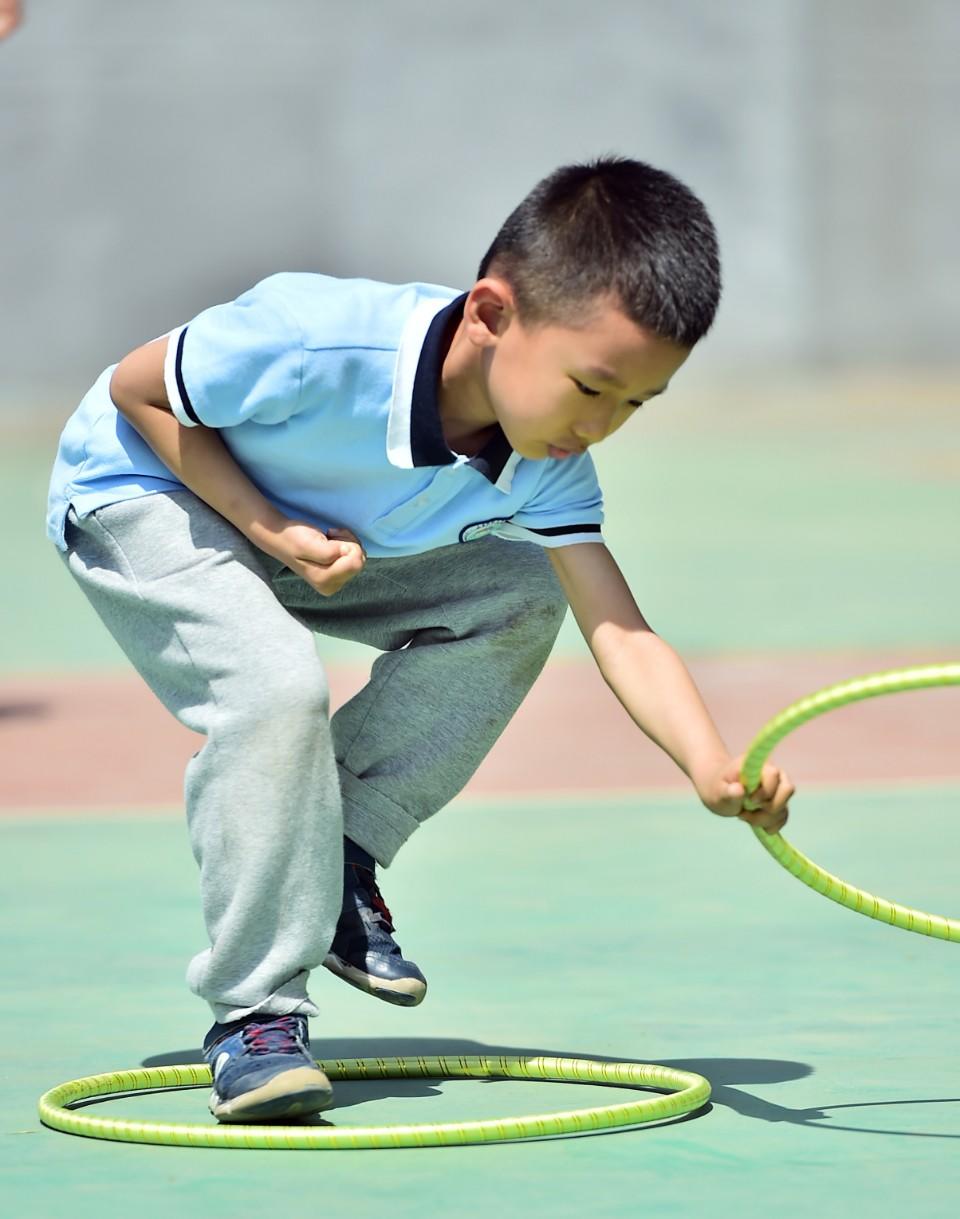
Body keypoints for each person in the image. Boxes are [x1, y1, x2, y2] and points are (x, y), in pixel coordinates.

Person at [47, 156, 794, 1124]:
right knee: (275, 688)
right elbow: (136, 391)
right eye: (591, 386)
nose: (600, 426)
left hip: (320, 543)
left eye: (633, 406)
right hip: (145, 490)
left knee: (524, 590)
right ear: (491, 312)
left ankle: (342, 849)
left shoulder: (547, 462)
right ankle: (255, 1019)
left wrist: (709, 765)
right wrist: (269, 530)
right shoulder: (320, 344)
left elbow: (623, 628)